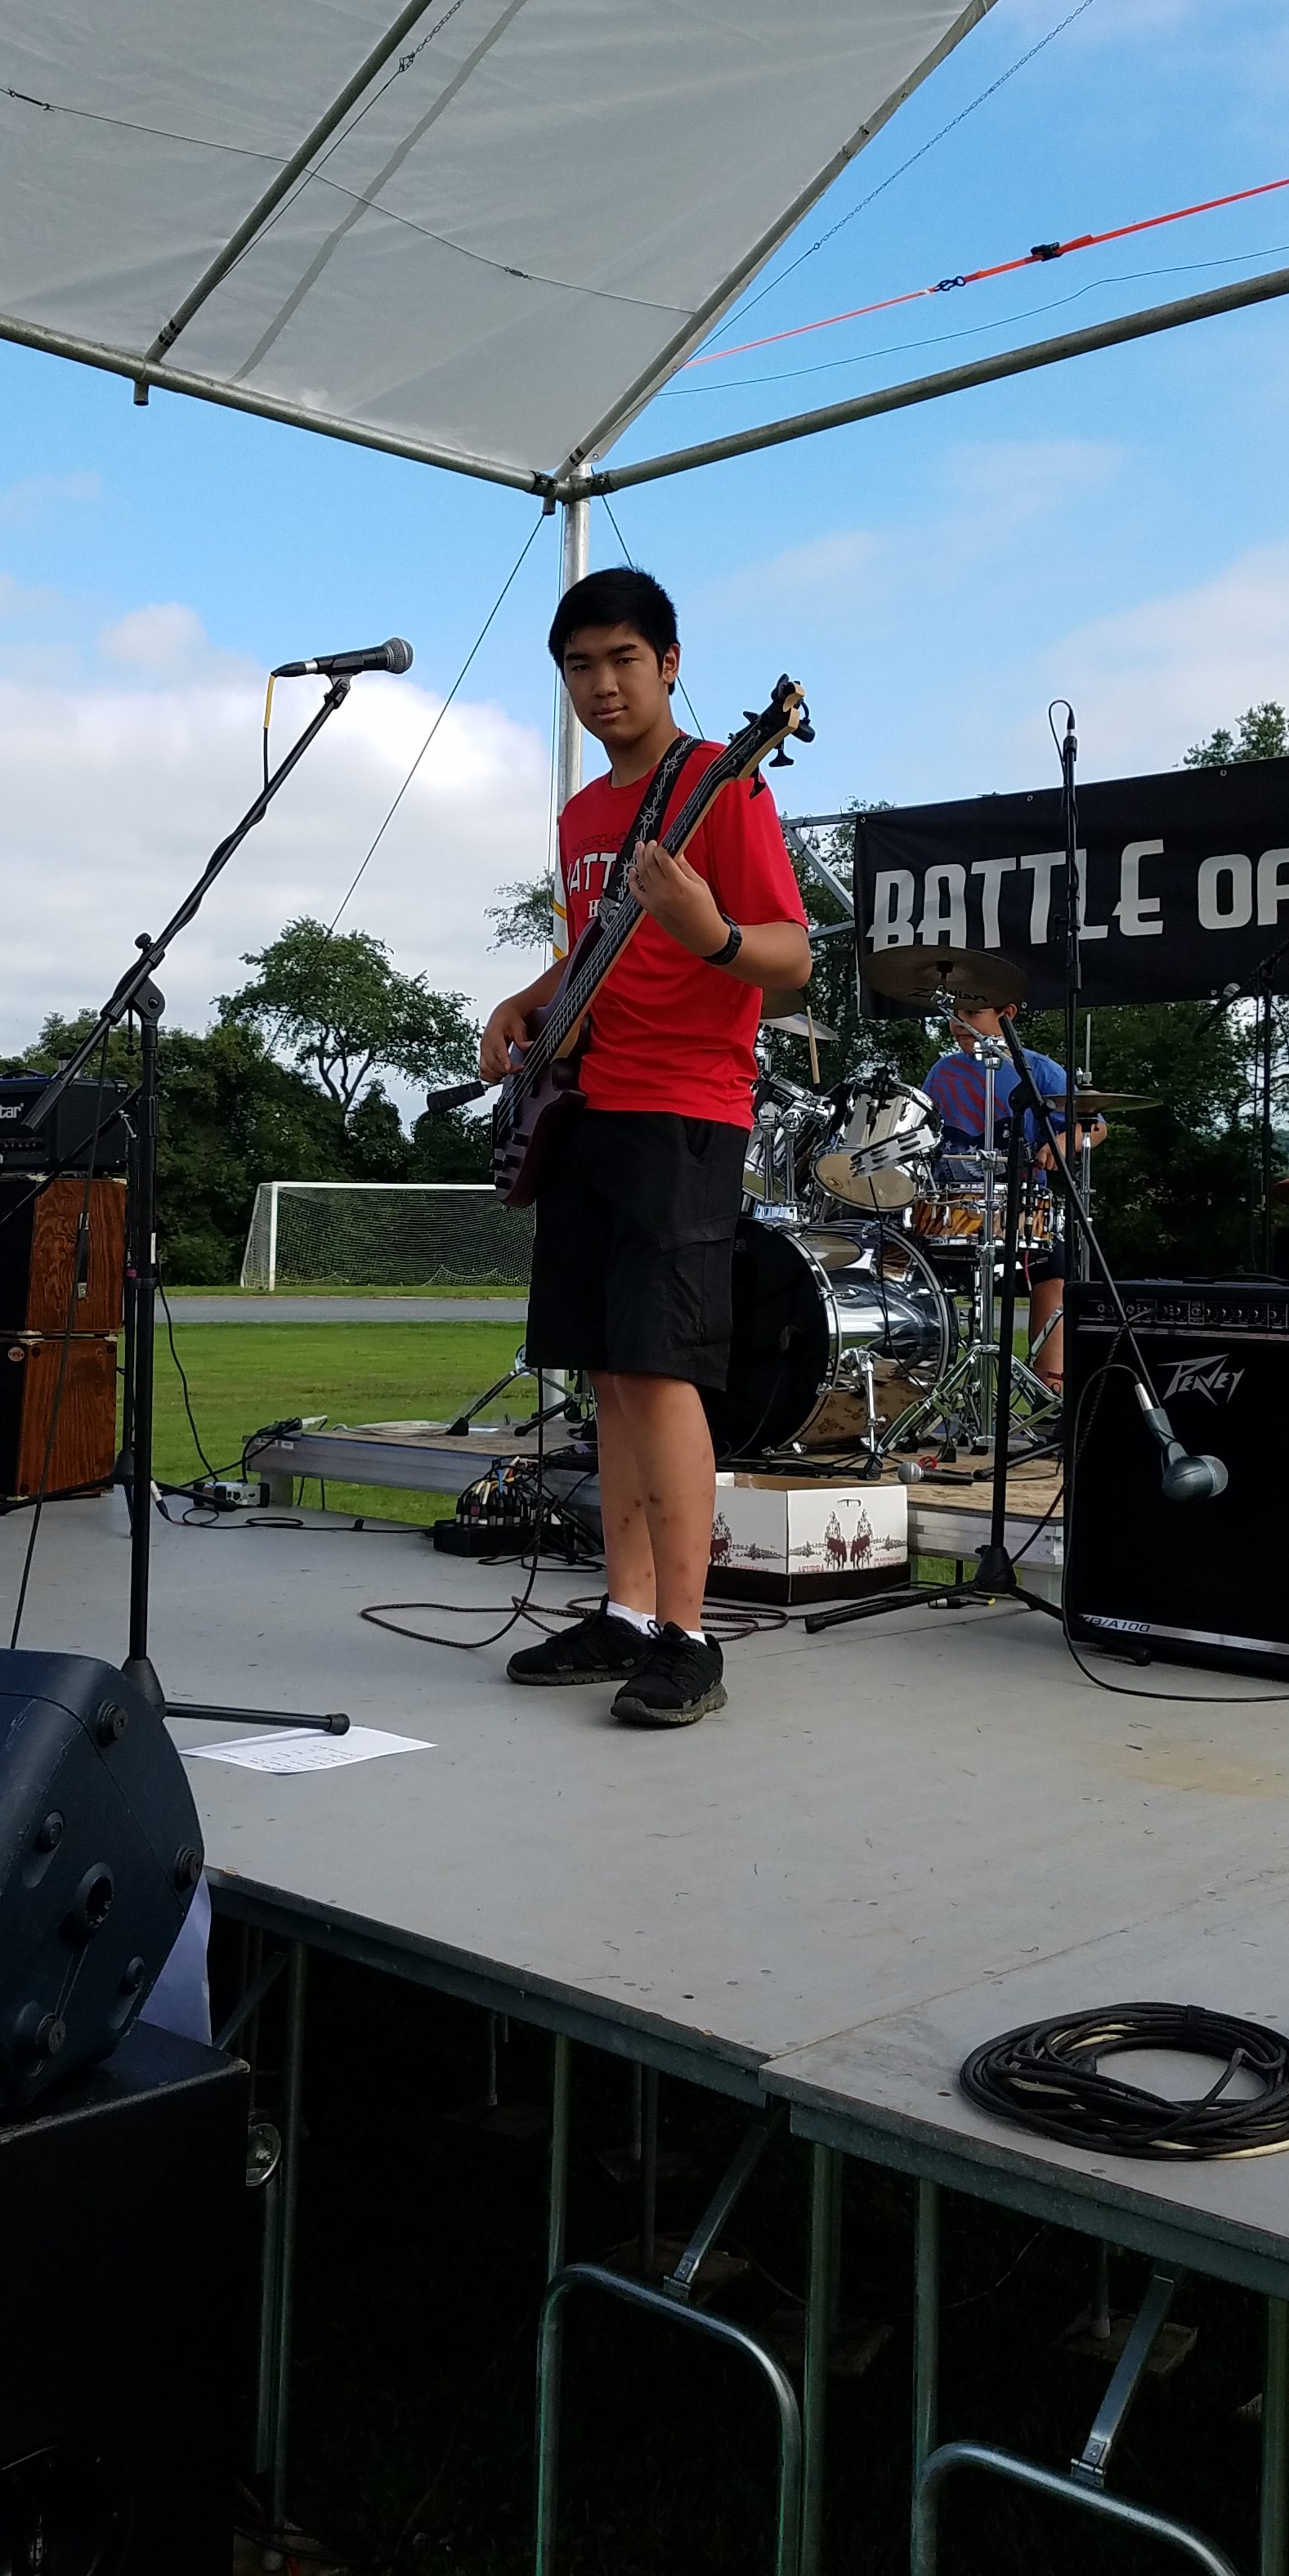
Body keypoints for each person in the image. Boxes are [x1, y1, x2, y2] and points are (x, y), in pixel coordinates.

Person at [480, 569, 809, 1726]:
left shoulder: (723, 786)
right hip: (585, 1103)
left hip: (685, 1107)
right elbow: (593, 945)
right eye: (580, 666)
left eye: (624, 659)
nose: (603, 685)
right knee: (609, 1370)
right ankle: (623, 1612)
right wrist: (524, 1002)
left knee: (662, 1370)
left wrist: (710, 933)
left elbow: (791, 955)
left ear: (669, 663)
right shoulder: (581, 816)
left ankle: (688, 1635)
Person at [918, 1002, 1106, 1386]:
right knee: (908, 1262)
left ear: (1007, 1013)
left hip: (1020, 1205)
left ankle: (1050, 1383)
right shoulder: (942, 1072)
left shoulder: (1037, 1069)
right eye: (954, 1014)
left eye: (972, 1013)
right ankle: (919, 1373)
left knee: (1053, 1269)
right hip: (952, 1205)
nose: (959, 1023)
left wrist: (1062, 1143)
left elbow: (1095, 1125)